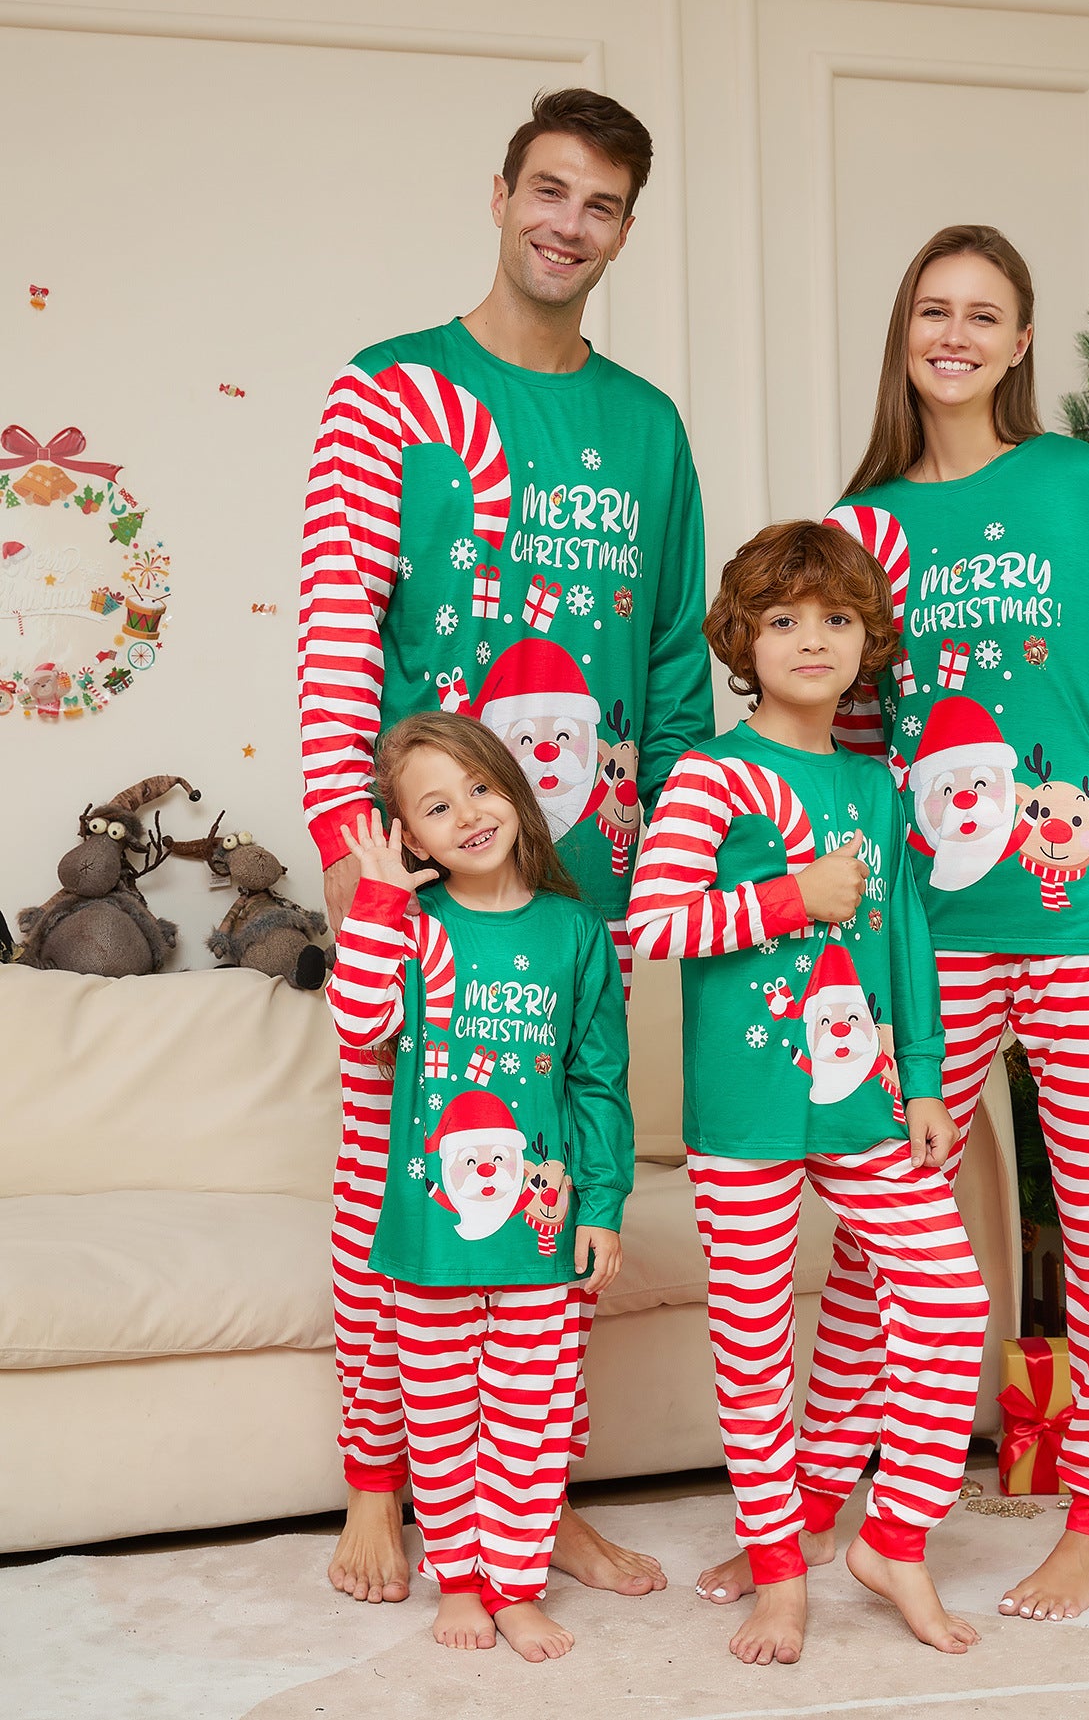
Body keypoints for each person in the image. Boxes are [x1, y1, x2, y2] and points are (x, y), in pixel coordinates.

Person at [694, 226, 1089, 1625]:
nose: (956, 335)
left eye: (985, 315)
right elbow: (842, 728)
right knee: (873, 1234)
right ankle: (800, 1523)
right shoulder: (861, 529)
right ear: (906, 333)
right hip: (921, 926)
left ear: (1022, 343)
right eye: (934, 311)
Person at [298, 87, 711, 1604]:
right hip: (417, 869)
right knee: (391, 1188)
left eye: (601, 205)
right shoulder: (389, 392)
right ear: (500, 193)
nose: (568, 224)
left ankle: (534, 1510)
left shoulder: (648, 426)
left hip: (580, 882)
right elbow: (342, 635)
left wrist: (669, 862)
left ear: (624, 229)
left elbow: (670, 669)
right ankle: (377, 1490)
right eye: (549, 190)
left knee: (556, 1199)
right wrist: (357, 858)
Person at [627, 519, 990, 1665]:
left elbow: (907, 948)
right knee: (751, 1345)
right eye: (782, 620)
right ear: (742, 637)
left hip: (865, 1101)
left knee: (946, 1304)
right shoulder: (708, 775)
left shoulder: (876, 785)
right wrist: (789, 898)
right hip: (743, 1114)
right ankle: (777, 1573)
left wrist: (925, 1083)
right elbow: (653, 923)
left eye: (835, 618)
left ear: (867, 640)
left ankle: (892, 1535)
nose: (811, 639)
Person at [325, 712, 635, 1661]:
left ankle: (516, 1583)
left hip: (540, 1231)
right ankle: (459, 1580)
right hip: (428, 1233)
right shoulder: (412, 929)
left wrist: (605, 1204)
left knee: (529, 1423)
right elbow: (357, 1022)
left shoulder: (577, 930)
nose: (467, 813)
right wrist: (377, 902)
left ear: (516, 790)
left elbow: (596, 1079)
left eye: (482, 786)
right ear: (410, 837)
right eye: (436, 805)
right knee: (444, 1416)